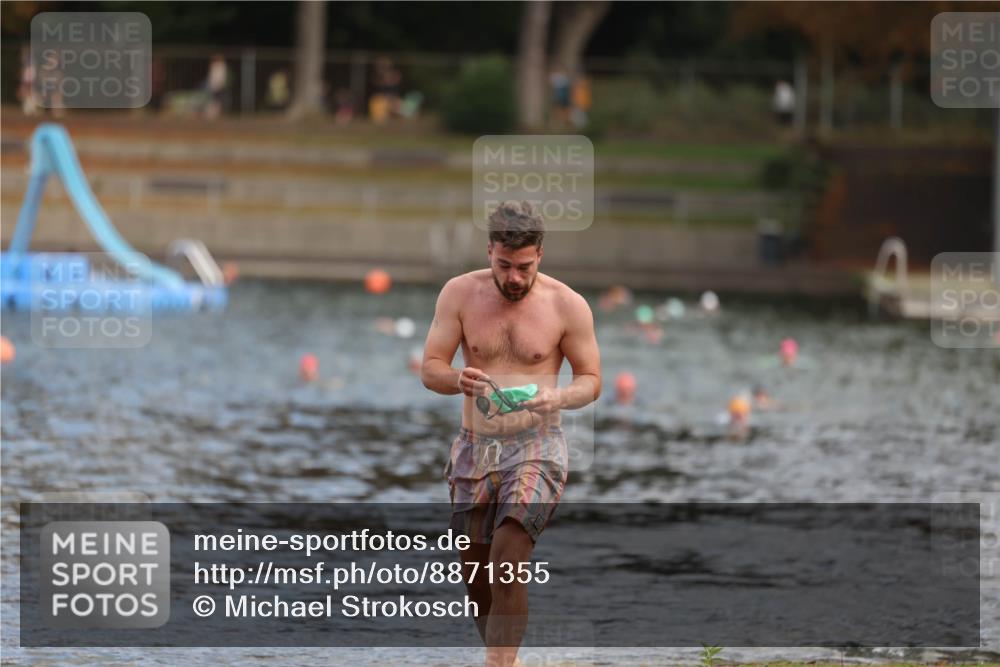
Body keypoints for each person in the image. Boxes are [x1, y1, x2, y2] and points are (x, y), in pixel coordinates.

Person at [421, 200, 601, 667]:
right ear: (489, 252)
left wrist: (558, 398)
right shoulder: (459, 294)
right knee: (476, 577)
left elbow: (591, 380)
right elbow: (431, 368)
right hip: (474, 448)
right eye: (504, 265)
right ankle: (506, 659)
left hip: (538, 445)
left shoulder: (567, 305)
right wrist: (456, 379)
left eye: (523, 267)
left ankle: (497, 664)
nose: (513, 277)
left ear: (540, 254)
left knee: (507, 557)